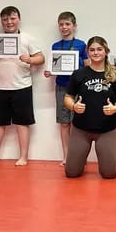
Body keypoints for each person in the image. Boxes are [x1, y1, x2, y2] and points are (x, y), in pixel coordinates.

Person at [0, 6, 44, 166]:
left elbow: (41, 58)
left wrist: (30, 59)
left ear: (19, 19)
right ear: (2, 21)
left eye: (12, 18)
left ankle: (23, 156)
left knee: (22, 123)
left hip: (22, 86)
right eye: (5, 19)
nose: (9, 22)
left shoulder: (27, 38)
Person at [64, 36, 116, 179]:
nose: (96, 53)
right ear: (87, 52)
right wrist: (74, 106)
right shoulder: (79, 74)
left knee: (110, 174)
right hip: (81, 129)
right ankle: (79, 161)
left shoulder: (115, 74)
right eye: (92, 50)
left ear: (105, 51)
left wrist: (114, 109)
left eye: (99, 49)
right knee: (71, 173)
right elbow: (67, 98)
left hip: (106, 129)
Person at [44, 12, 88, 165]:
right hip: (62, 86)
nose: (64, 27)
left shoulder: (81, 45)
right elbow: (52, 67)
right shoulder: (55, 46)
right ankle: (66, 155)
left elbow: (89, 65)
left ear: (74, 26)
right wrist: (49, 71)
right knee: (64, 123)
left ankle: (80, 155)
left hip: (79, 88)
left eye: (67, 24)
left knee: (79, 122)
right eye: (61, 24)